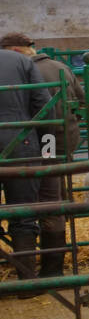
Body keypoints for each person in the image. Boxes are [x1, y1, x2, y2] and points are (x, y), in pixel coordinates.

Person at [0, 33, 84, 277]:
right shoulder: (58, 67)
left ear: (13, 49)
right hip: (38, 144)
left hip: (39, 143)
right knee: (34, 207)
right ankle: (41, 275)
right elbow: (72, 106)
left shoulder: (25, 65)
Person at [0, 36, 52, 284]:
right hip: (20, 143)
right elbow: (44, 106)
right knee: (23, 213)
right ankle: (27, 282)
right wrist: (49, 152)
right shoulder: (21, 61)